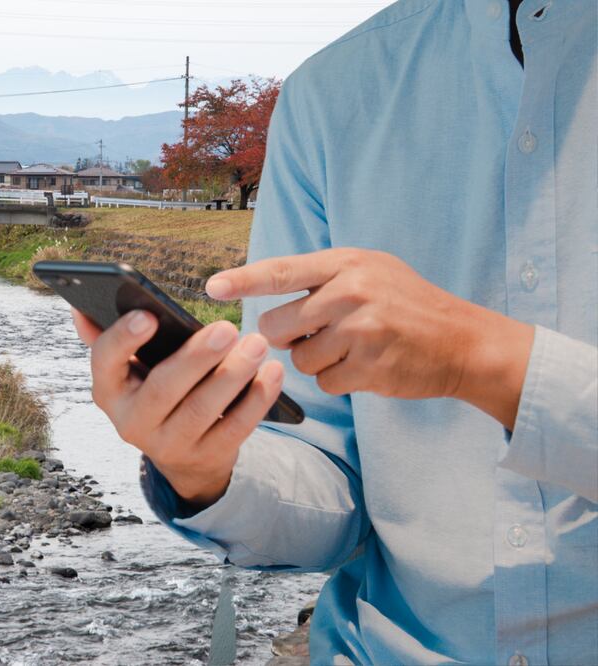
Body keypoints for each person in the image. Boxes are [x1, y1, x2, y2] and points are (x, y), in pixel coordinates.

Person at [71, 0, 596, 662]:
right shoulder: (330, 96)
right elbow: (328, 482)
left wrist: (485, 361)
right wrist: (209, 470)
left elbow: (475, 358)